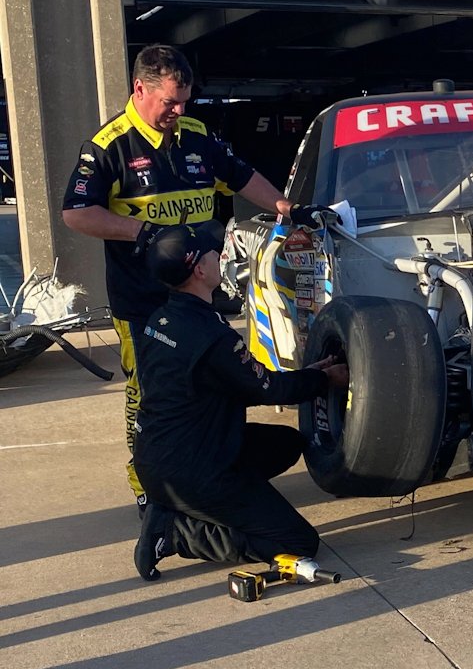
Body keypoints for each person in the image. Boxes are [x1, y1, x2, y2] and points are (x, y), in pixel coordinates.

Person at [61, 43, 332, 512]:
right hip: (142, 300)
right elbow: (76, 213)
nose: (178, 110)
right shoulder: (109, 146)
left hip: (201, 294)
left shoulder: (197, 135)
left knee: (215, 380)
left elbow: (242, 176)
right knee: (146, 392)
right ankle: (148, 484)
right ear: (139, 89)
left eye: (185, 100)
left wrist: (286, 206)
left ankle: (212, 466)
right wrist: (141, 231)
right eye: (170, 101)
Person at [131, 223, 349, 582]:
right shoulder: (210, 337)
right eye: (213, 252)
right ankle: (175, 533)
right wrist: (324, 378)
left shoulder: (162, 319)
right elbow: (269, 390)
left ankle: (219, 505)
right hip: (191, 470)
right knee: (298, 541)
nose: (221, 256)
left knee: (285, 444)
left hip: (162, 455)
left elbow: (237, 383)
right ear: (200, 270)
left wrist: (309, 373)